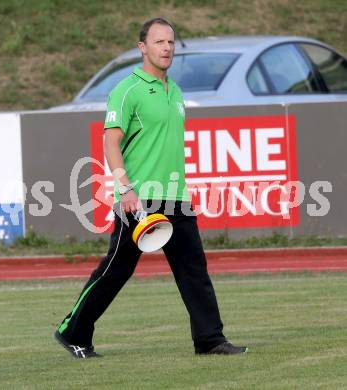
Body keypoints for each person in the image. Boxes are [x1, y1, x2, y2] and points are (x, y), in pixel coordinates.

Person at [54, 17, 248, 358]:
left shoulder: (176, 91)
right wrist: (125, 189)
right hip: (138, 199)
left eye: (171, 42)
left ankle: (210, 339)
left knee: (194, 270)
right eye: (159, 42)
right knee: (116, 270)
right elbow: (111, 143)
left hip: (176, 197)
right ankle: (73, 331)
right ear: (142, 47)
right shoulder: (127, 90)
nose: (167, 48)